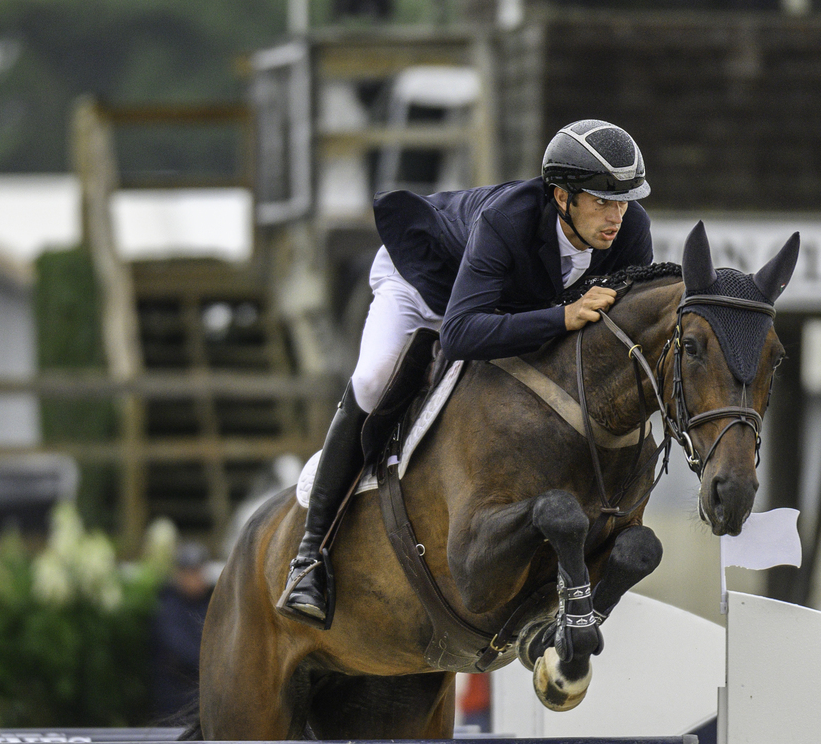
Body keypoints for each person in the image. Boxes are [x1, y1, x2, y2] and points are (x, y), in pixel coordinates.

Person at [277, 118, 655, 627]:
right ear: (562, 197)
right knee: (373, 379)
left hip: (498, 304)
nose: (617, 216)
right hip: (427, 287)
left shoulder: (631, 232)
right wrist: (561, 317)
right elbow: (459, 334)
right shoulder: (510, 219)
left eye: (624, 201)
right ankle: (309, 557)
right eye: (602, 201)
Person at [152, 542, 213, 720]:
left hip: (206, 701)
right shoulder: (167, 607)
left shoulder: (210, 603)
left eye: (199, 571)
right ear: (178, 574)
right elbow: (182, 651)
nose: (196, 578)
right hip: (175, 705)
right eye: (190, 572)